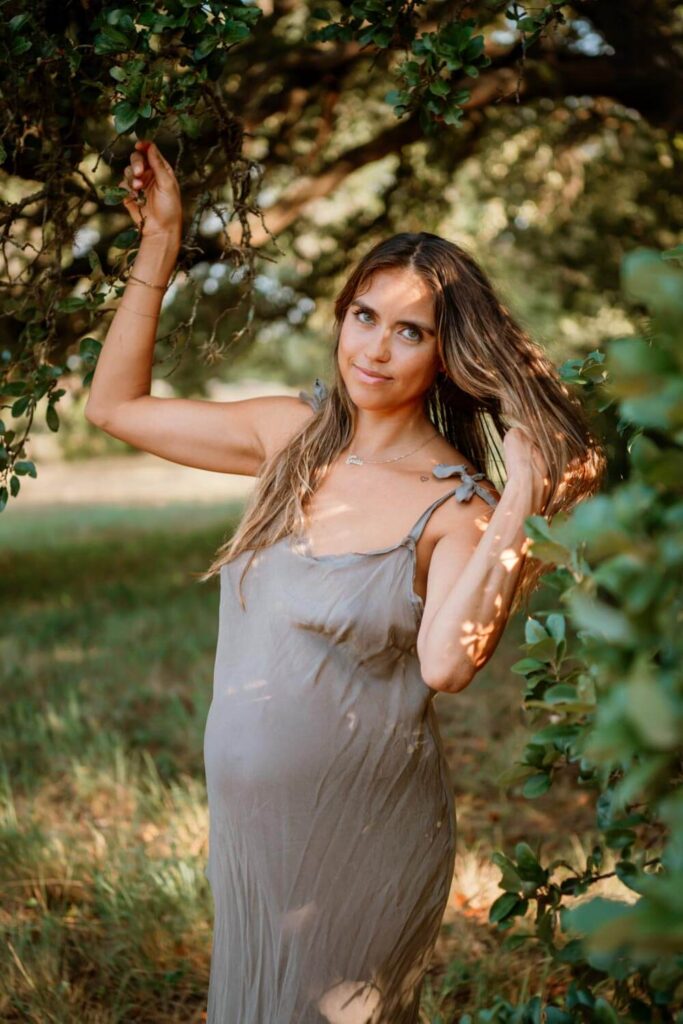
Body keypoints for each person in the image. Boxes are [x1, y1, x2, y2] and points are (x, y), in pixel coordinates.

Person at [86, 140, 605, 1023]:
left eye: (411, 332)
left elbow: (447, 665)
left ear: (447, 355)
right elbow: (113, 408)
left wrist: (521, 496)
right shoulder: (291, 438)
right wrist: (161, 244)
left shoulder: (459, 511)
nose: (375, 348)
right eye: (364, 315)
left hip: (363, 842)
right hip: (255, 844)